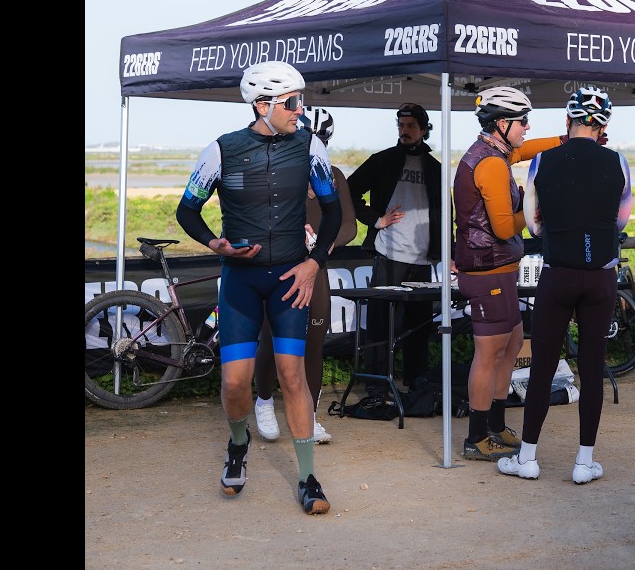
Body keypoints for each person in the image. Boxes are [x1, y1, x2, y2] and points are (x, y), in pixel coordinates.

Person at [175, 60, 342, 515]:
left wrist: (314, 264)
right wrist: (216, 243)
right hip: (242, 281)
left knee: (292, 376)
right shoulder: (222, 150)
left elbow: (333, 214)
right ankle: (237, 443)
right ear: (263, 105)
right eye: (292, 102)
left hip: (290, 279)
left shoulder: (310, 147)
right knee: (235, 383)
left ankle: (308, 477)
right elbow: (187, 210)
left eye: (301, 100)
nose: (300, 110)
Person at [496, 87, 632, 484]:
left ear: (567, 122)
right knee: (592, 368)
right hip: (601, 276)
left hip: (557, 272)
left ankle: (528, 458)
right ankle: (583, 463)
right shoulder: (618, 161)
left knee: (542, 365)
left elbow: (533, 222)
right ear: (603, 125)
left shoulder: (542, 159)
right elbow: (621, 219)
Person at [452, 86, 563, 461]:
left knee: (512, 343)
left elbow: (528, 149)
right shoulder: (491, 164)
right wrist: (538, 208)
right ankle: (476, 435)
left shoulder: (497, 150)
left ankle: (496, 426)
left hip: (499, 268)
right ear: (502, 124)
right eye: (522, 122)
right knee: (489, 352)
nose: (528, 128)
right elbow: (503, 228)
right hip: (487, 269)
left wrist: (567, 139)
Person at [254, 107, 358, 445]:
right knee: (272, 340)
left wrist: (321, 246)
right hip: (278, 269)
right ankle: (265, 400)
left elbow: (349, 227)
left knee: (314, 344)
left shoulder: (336, 177)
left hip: (316, 270)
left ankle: (309, 416)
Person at [344, 102, 447, 394]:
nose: (405, 131)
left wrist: (448, 253)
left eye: (411, 126)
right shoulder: (383, 160)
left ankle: (417, 384)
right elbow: (348, 191)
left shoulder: (435, 168)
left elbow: (446, 212)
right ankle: (376, 386)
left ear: (425, 130)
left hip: (423, 259)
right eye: (401, 126)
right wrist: (375, 220)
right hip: (388, 254)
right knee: (380, 325)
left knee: (419, 327)